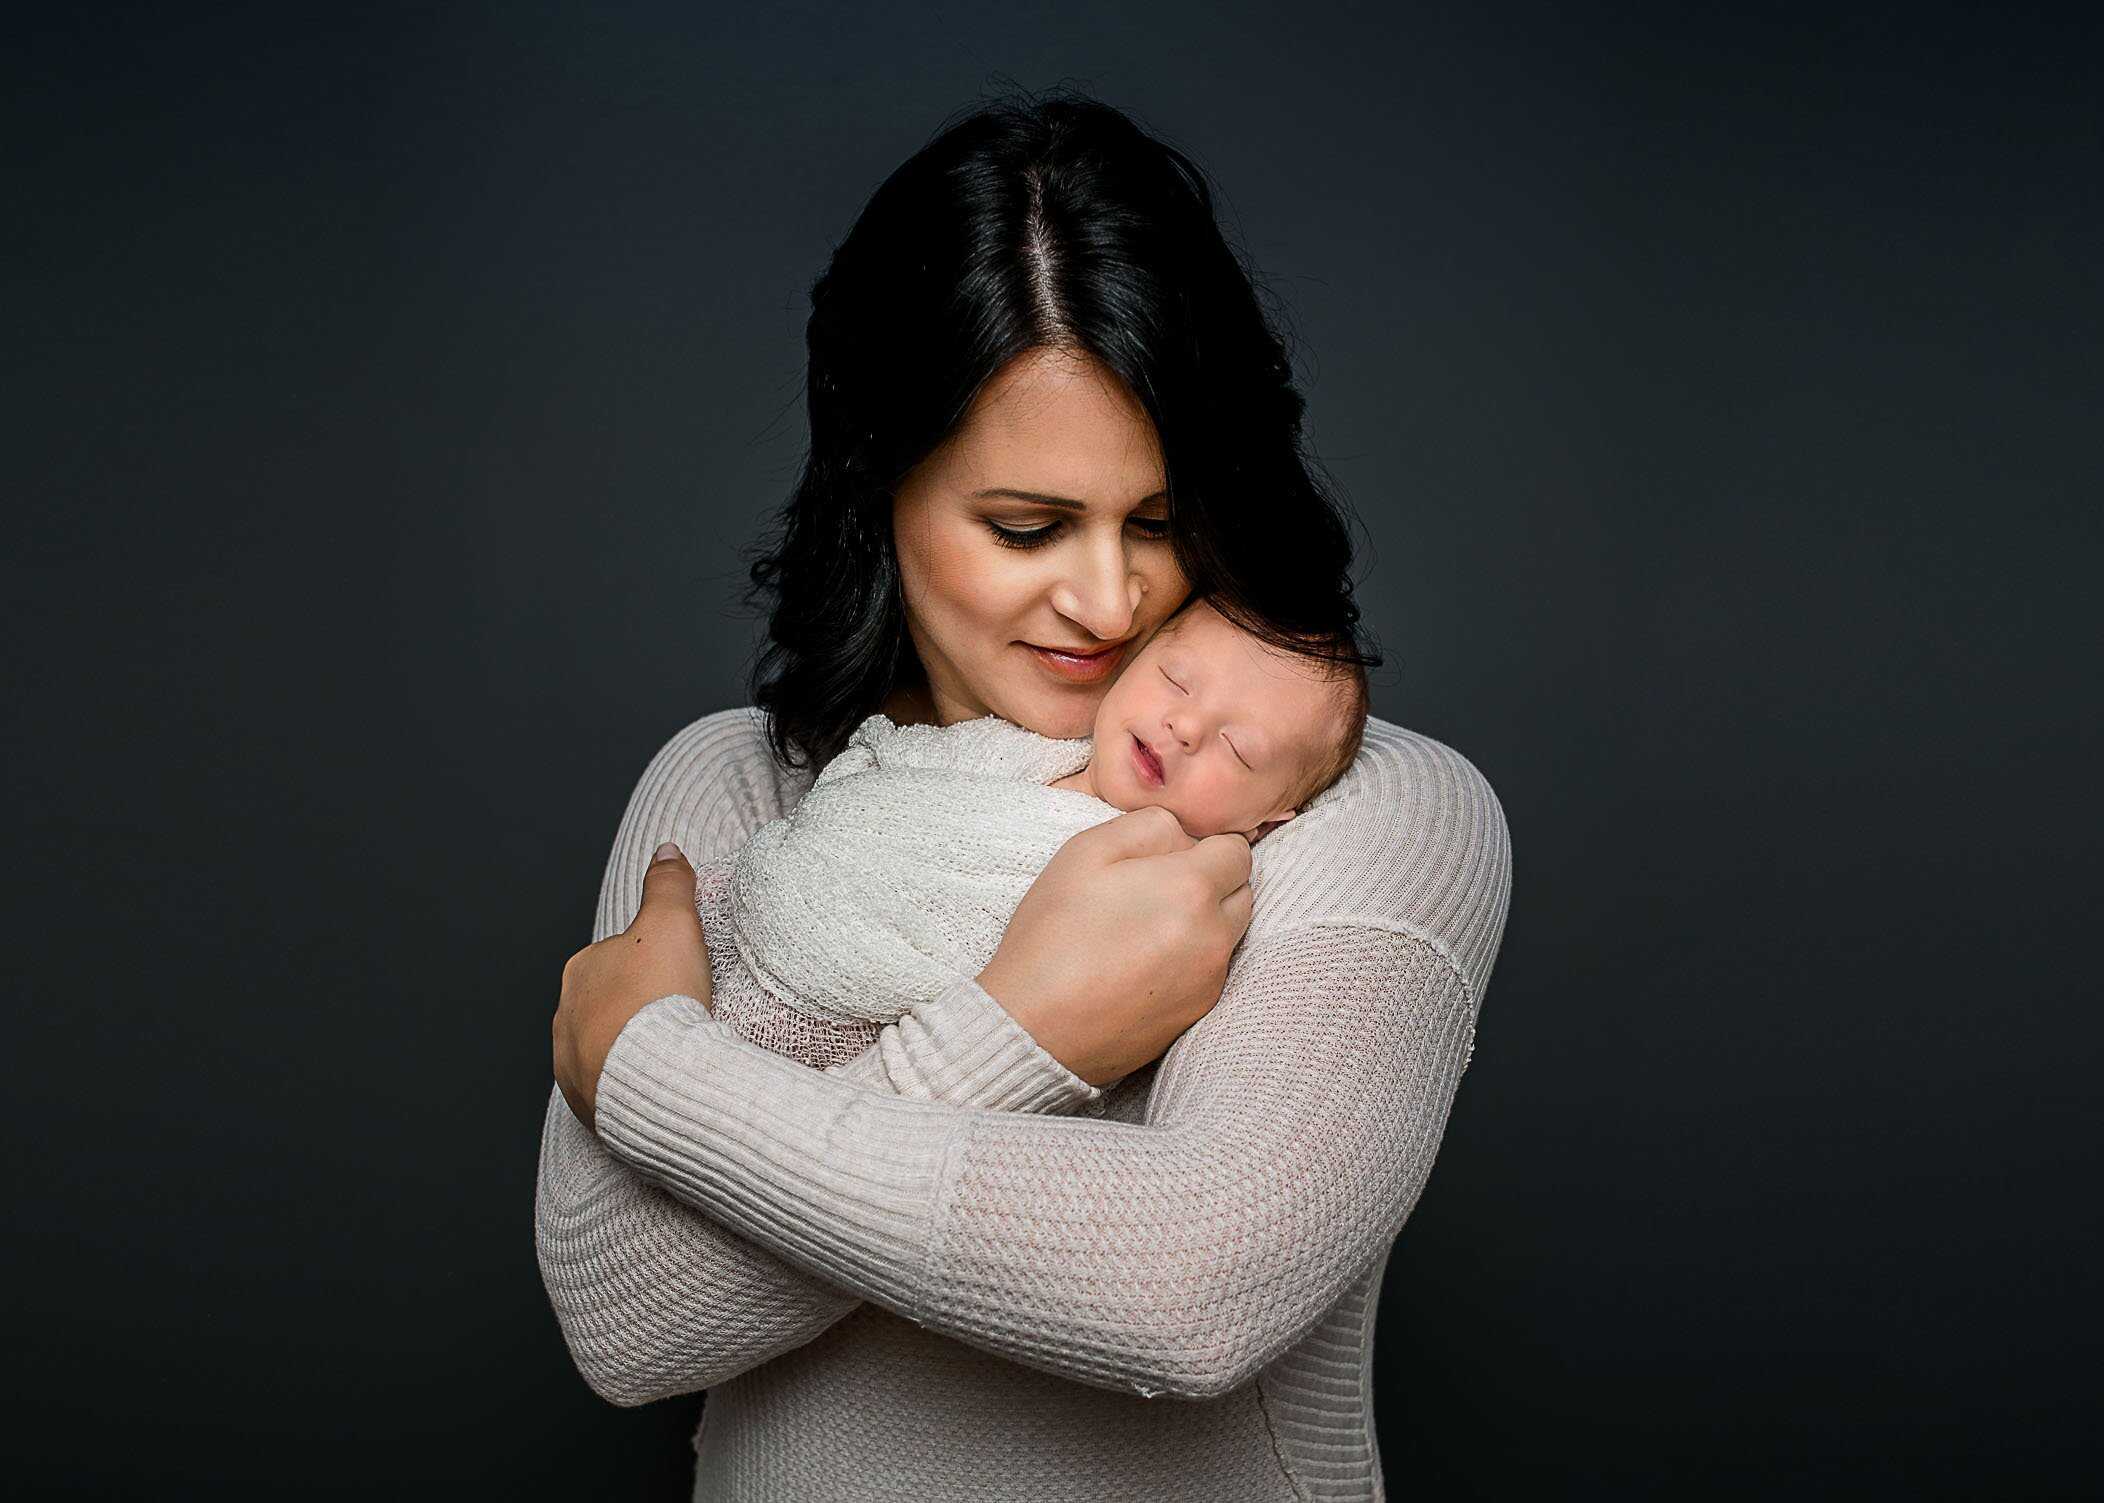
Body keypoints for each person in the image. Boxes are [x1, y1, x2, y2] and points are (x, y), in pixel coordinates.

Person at [537, 90, 1511, 1502]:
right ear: (878, 489)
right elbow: (627, 1321)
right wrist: (1021, 1026)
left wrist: (648, 1067)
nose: (1109, 600)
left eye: (1160, 520)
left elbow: (1192, 1287)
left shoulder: (1357, 803)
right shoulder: (730, 789)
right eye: (1026, 526)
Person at [677, 589, 1368, 1079]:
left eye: (1239, 749)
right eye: (1174, 679)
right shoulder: (1025, 746)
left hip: (840, 1033)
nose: (1184, 726)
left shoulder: (1168, 895)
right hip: (746, 917)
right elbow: (885, 774)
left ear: (1269, 821)